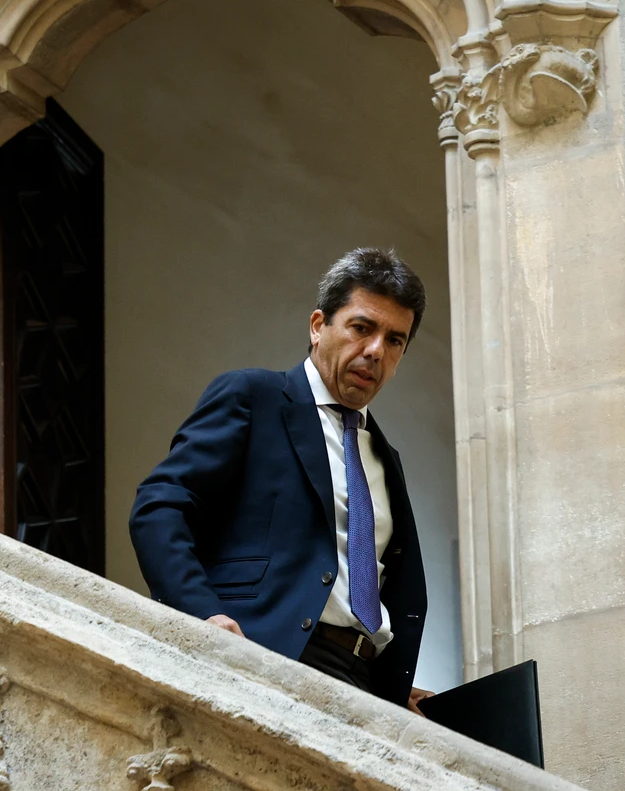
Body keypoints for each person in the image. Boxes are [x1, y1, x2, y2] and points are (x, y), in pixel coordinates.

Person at [129, 248, 432, 712]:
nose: (375, 350)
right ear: (317, 326)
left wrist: (386, 682)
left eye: (395, 340)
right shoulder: (255, 397)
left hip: (364, 685)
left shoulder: (383, 456)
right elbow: (160, 507)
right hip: (268, 656)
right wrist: (203, 613)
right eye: (361, 327)